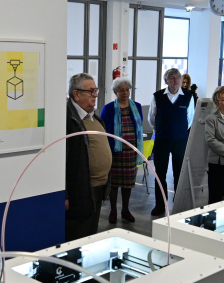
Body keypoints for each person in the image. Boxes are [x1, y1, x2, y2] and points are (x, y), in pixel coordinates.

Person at [65, 73, 112, 241]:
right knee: (78, 236)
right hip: (80, 190)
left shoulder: (93, 117)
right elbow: (61, 160)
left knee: (90, 235)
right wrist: (64, 194)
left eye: (96, 90)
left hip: (98, 189)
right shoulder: (68, 119)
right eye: (91, 91)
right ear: (76, 94)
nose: (95, 95)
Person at [148, 68, 195, 216]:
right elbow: (152, 118)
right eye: (172, 78)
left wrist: (177, 131)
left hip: (181, 140)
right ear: (166, 80)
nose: (175, 81)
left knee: (179, 173)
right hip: (162, 140)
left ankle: (178, 203)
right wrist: (162, 130)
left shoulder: (188, 96)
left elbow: (190, 119)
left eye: (177, 78)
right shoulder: (157, 96)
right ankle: (160, 204)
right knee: (160, 173)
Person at [100, 77, 144, 223]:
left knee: (128, 184)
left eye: (127, 90)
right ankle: (113, 211)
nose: (125, 93)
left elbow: (139, 127)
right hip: (115, 152)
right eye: (121, 90)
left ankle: (125, 209)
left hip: (131, 152)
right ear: (115, 92)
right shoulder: (108, 108)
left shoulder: (137, 106)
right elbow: (102, 129)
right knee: (114, 184)